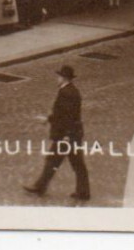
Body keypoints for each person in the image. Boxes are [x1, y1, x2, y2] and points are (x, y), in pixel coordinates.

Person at [24, 65, 90, 201]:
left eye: (58, 76)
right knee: (75, 163)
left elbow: (67, 116)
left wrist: (66, 135)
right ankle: (83, 191)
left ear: (64, 78)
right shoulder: (71, 91)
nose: (57, 79)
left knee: (54, 161)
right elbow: (61, 114)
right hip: (72, 135)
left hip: (66, 136)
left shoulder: (67, 93)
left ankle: (40, 187)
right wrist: (48, 119)